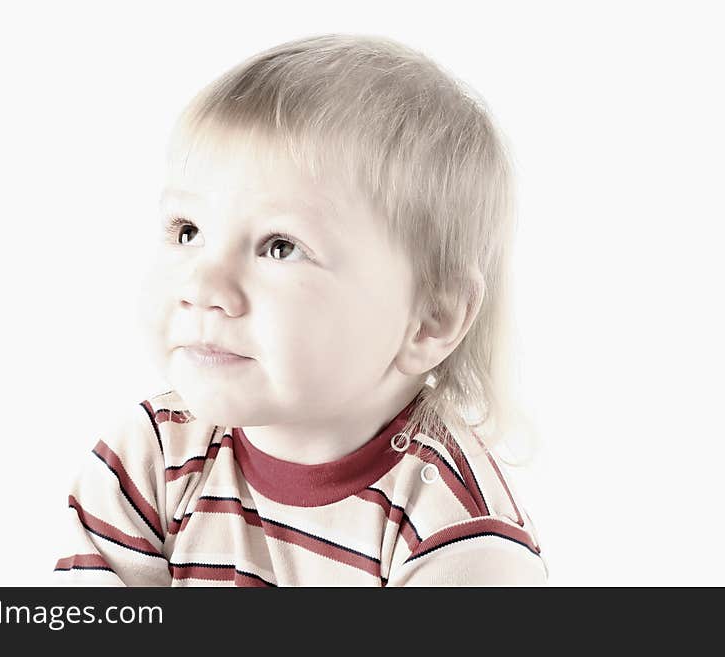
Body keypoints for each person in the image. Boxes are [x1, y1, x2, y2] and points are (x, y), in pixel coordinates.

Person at [52, 33, 547, 586]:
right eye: (188, 231)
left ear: (431, 317)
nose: (203, 285)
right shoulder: (151, 458)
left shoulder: (456, 538)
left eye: (280, 246)